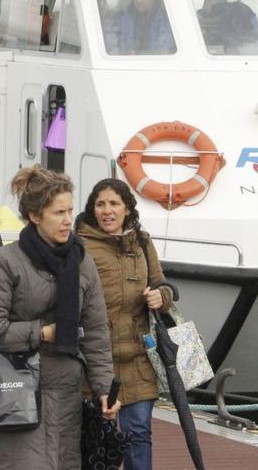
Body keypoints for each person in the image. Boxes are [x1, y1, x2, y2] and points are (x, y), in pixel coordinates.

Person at [0, 165, 118, 469]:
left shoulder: (82, 262)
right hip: (19, 389)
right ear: (35, 215)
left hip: (68, 390)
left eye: (70, 211)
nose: (68, 220)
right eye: (58, 213)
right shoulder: (5, 260)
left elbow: (96, 333)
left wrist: (104, 388)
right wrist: (41, 333)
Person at [75, 178, 173, 470]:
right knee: (93, 438)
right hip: (93, 358)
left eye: (114, 204)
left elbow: (162, 284)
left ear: (127, 208)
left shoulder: (142, 241)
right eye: (100, 204)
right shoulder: (80, 245)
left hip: (137, 356)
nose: (107, 210)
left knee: (138, 433)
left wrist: (161, 296)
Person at [109, 0, 175, 55]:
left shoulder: (166, 18)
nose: (139, 1)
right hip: (125, 61)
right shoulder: (123, 16)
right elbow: (112, 41)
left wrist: (139, 54)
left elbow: (165, 48)